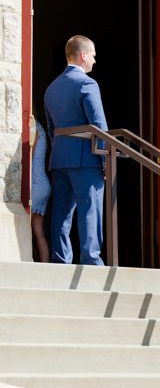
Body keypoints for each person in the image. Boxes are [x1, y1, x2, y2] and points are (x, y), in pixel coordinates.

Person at [44, 35, 108, 265]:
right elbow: (98, 125)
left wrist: (59, 151)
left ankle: (61, 259)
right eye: (93, 55)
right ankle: (91, 260)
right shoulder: (87, 84)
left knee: (61, 213)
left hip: (60, 159)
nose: (94, 60)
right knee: (90, 210)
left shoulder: (51, 88)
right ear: (83, 55)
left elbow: (52, 128)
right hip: (87, 158)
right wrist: (105, 160)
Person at [31, 119, 51, 263]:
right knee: (38, 231)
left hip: (35, 184)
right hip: (43, 184)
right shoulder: (41, 127)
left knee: (22, 225)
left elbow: (28, 154)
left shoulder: (33, 126)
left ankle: (27, 261)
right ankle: (45, 266)